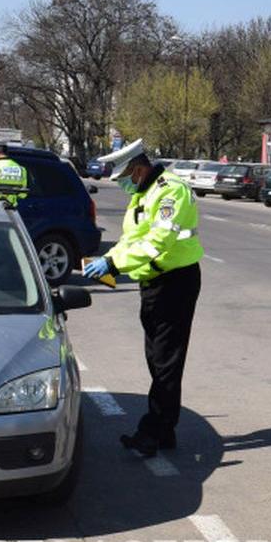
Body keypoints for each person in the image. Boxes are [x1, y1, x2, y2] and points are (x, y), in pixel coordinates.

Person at [83, 139, 203, 457]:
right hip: (153, 283)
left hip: (174, 282)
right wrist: (110, 258)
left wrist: (112, 264)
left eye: (123, 177)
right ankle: (165, 430)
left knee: (166, 361)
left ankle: (153, 431)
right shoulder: (144, 192)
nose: (121, 184)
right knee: (157, 358)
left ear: (137, 169)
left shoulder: (169, 190)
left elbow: (158, 241)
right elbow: (132, 239)